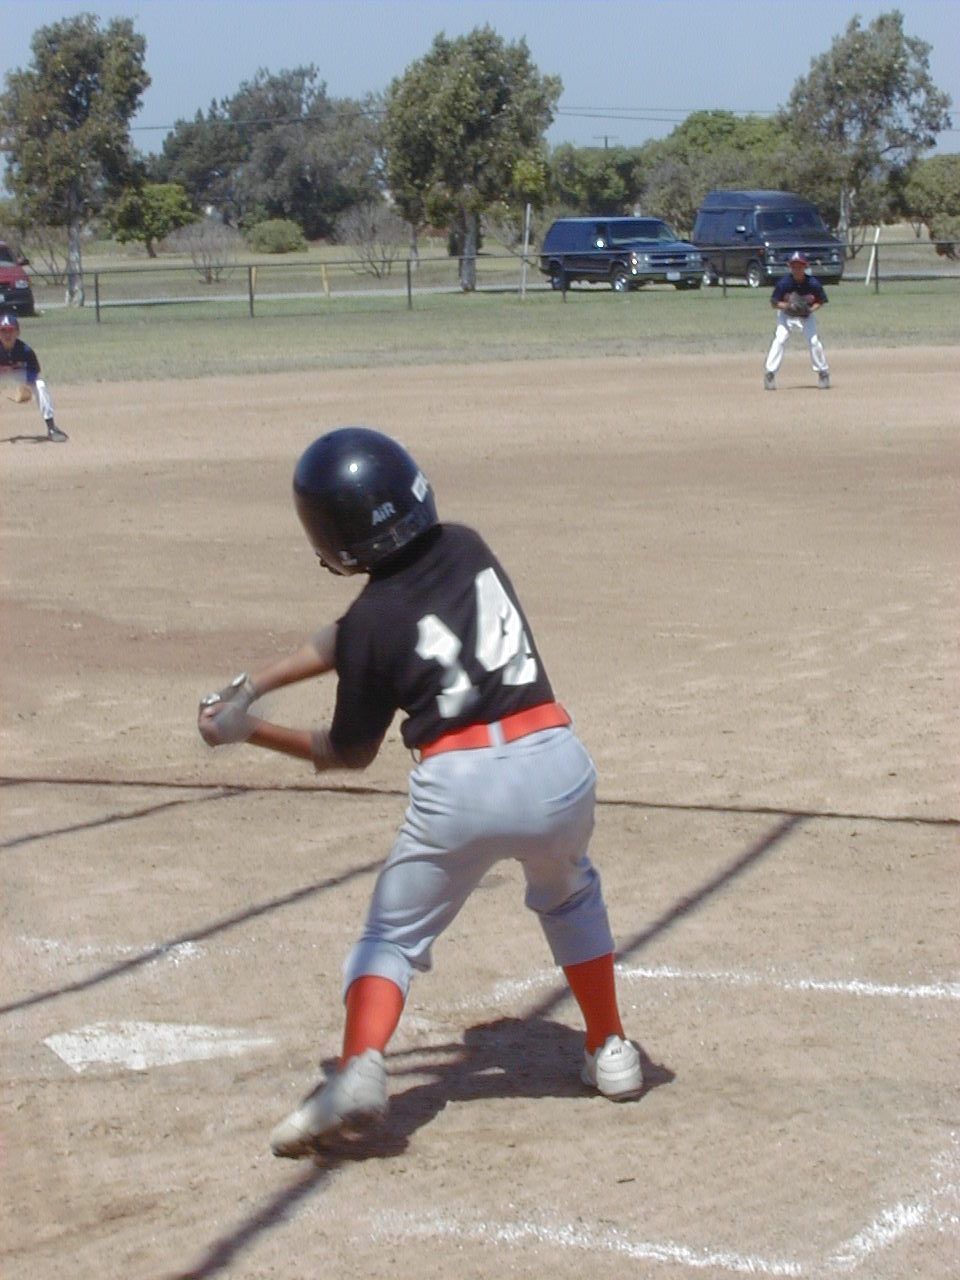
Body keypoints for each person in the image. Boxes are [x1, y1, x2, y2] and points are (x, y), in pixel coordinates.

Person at [198, 427, 643, 1158]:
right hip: (556, 765)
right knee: (568, 894)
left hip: (461, 788)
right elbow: (355, 632)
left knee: (392, 939)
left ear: (332, 542)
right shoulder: (466, 545)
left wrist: (251, 730)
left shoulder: (371, 623)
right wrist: (257, 683)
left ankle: (360, 1067)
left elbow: (347, 750)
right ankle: (612, 1049)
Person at [763, 251, 830, 391]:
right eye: (794, 266)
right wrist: (788, 307)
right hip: (786, 315)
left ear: (805, 266)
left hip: (805, 316)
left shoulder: (813, 283)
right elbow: (774, 303)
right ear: (790, 267)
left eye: (800, 266)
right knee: (780, 339)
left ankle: (823, 372)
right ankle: (770, 373)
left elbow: (821, 301)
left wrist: (809, 310)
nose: (797, 269)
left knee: (813, 341)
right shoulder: (784, 283)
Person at [0, 313, 68, 440]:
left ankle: (51, 428)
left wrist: (26, 387)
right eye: (3, 330)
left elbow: (33, 371)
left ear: (17, 332)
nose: (7, 334)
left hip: (19, 372)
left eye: (10, 330)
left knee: (40, 384)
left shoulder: (25, 351)